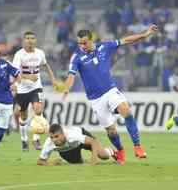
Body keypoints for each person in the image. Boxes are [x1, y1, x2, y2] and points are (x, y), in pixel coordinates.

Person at [62, 24, 159, 164]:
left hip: (110, 90)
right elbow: (71, 75)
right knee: (111, 131)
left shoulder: (104, 47)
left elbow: (125, 40)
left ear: (91, 40)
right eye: (79, 43)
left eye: (84, 42)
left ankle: (137, 146)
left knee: (126, 110)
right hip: (95, 99)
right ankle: (120, 150)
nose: (82, 45)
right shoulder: (76, 57)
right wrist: (66, 88)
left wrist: (145, 34)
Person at [12, 31, 57, 151]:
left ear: (35, 40)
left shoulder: (40, 53)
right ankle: (24, 140)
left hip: (36, 87)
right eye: (27, 38)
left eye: (32, 38)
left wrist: (52, 79)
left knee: (38, 110)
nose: (30, 40)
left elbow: (46, 65)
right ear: (23, 40)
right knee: (23, 117)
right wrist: (28, 77)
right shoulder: (19, 55)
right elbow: (15, 73)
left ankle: (36, 139)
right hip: (22, 89)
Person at [37, 124, 116, 166]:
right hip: (67, 149)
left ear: (63, 134)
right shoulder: (49, 143)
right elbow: (40, 161)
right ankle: (84, 160)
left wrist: (93, 160)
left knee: (103, 156)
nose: (54, 140)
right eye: (52, 137)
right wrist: (51, 164)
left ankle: (111, 151)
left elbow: (93, 142)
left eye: (57, 136)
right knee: (78, 163)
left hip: (81, 138)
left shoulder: (72, 135)